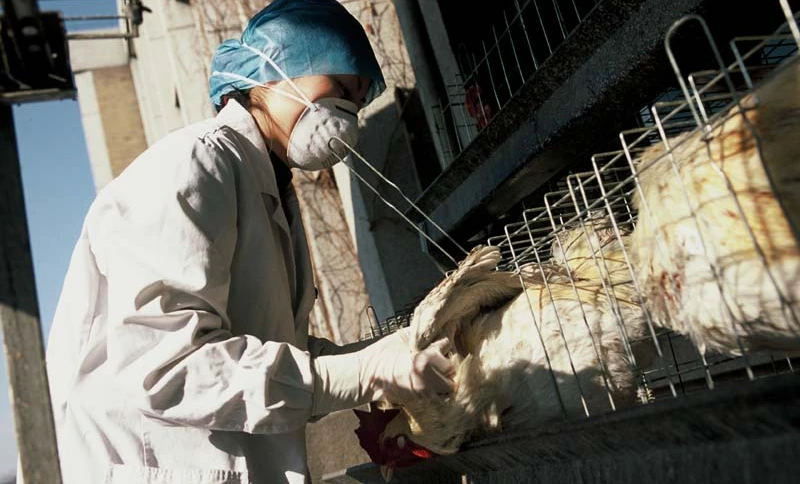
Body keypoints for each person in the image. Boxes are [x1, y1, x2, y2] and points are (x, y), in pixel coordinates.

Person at [43, 1, 455, 482]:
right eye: (339, 89)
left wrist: (385, 354)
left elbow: (274, 354)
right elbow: (168, 369)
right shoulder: (194, 166)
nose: (346, 116)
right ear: (273, 68)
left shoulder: (267, 188)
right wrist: (363, 372)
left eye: (356, 104)